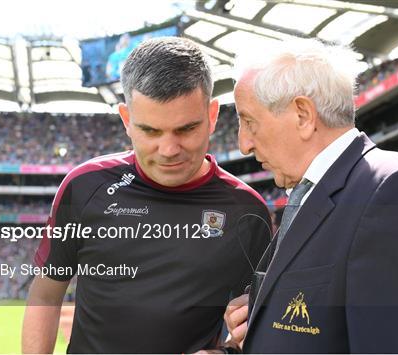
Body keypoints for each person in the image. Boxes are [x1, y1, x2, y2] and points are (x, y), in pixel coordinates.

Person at [22, 37, 270, 353]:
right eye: (150, 131)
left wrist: (225, 353)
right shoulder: (84, 186)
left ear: (211, 116)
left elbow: (254, 326)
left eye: (186, 129)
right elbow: (45, 294)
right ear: (127, 120)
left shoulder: (247, 213)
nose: (168, 150)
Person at [224, 38, 398, 353]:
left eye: (249, 121)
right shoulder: (311, 194)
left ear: (302, 115)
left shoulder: (394, 191)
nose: (244, 143)